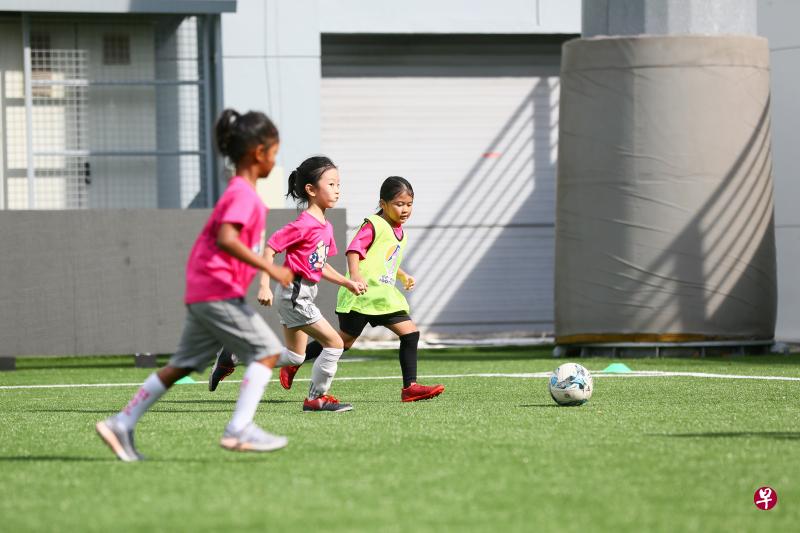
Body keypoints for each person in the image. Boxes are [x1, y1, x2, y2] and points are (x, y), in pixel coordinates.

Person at [95, 108, 294, 461]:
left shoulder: (240, 192)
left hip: (204, 292)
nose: (275, 163)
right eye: (275, 154)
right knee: (265, 351)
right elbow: (227, 238)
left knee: (182, 365)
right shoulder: (244, 195)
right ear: (258, 153)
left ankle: (121, 423)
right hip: (217, 292)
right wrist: (272, 269)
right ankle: (238, 430)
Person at [209, 156, 365, 413]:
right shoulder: (302, 224)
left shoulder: (325, 227)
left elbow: (320, 265)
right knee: (335, 344)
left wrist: (347, 283)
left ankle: (233, 356)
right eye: (332, 184)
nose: (338, 190)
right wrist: (263, 285)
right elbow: (270, 249)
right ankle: (317, 399)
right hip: (296, 294)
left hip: (302, 294)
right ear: (311, 190)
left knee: (295, 356)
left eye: (339, 184)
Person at [281, 176, 444, 402]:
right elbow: (354, 251)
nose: (405, 209)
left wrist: (402, 274)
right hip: (360, 297)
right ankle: (294, 362)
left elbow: (384, 261)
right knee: (342, 343)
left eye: (409, 204)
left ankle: (410, 388)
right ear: (383, 204)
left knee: (411, 334)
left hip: (383, 298)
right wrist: (355, 275)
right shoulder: (374, 224)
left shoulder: (401, 233)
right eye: (399, 204)